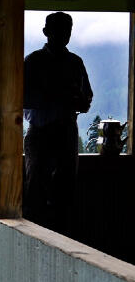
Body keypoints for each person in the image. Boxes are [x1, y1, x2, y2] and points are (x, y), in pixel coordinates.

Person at [23, 12, 93, 235]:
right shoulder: (33, 62)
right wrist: (58, 96)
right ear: (46, 33)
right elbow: (20, 97)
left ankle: (61, 237)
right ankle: (36, 235)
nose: (64, 35)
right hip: (43, 133)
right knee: (36, 190)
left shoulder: (74, 63)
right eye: (60, 30)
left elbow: (86, 100)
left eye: (67, 30)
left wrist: (76, 100)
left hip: (62, 132)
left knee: (64, 190)